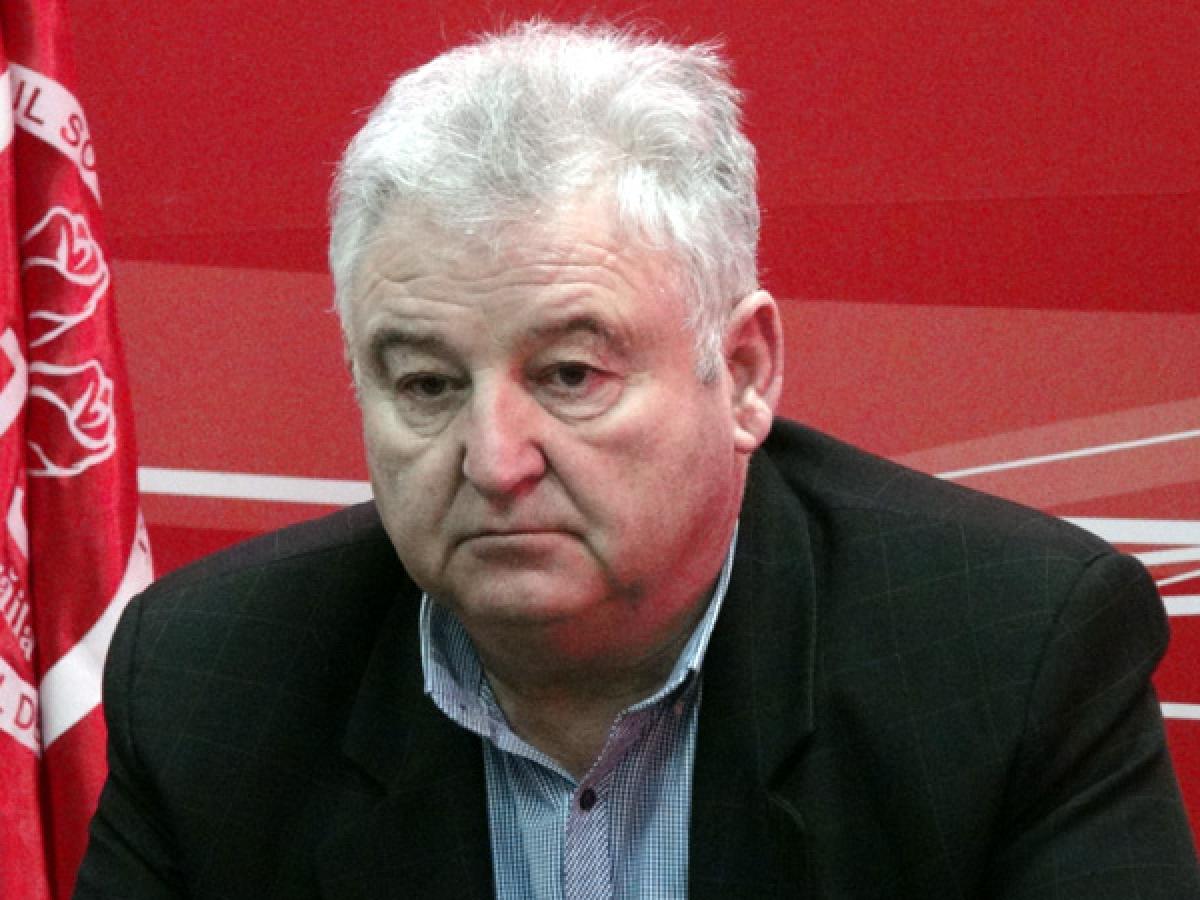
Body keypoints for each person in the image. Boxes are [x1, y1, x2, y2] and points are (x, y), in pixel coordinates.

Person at [74, 20, 1199, 899]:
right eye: (427, 385)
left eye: (570, 374)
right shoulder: (214, 682)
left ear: (743, 373)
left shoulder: (1006, 658)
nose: (494, 461)